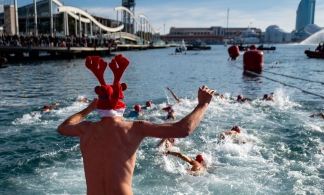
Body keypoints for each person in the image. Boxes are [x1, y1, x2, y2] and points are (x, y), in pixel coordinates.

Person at [57, 55, 215, 194]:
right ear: (122, 107)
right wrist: (203, 104)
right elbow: (183, 129)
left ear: (99, 108)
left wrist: (89, 108)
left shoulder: (85, 129)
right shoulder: (133, 128)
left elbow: (62, 127)